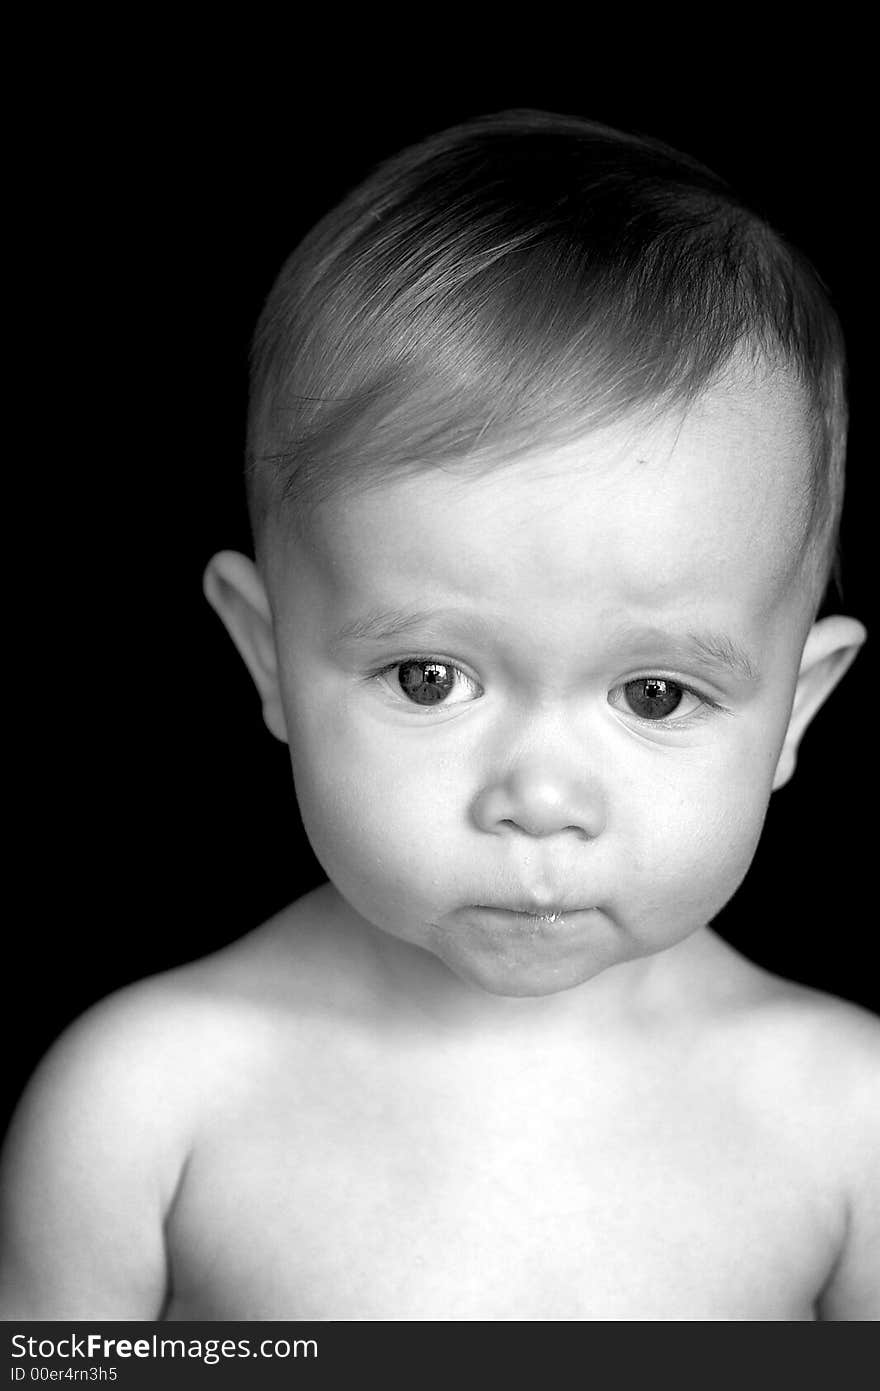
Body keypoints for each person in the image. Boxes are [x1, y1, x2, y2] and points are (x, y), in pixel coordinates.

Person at [1, 108, 877, 1322]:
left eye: (656, 691)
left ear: (796, 707)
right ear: (267, 654)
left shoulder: (847, 1128)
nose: (539, 796)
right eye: (427, 677)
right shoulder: (146, 1109)